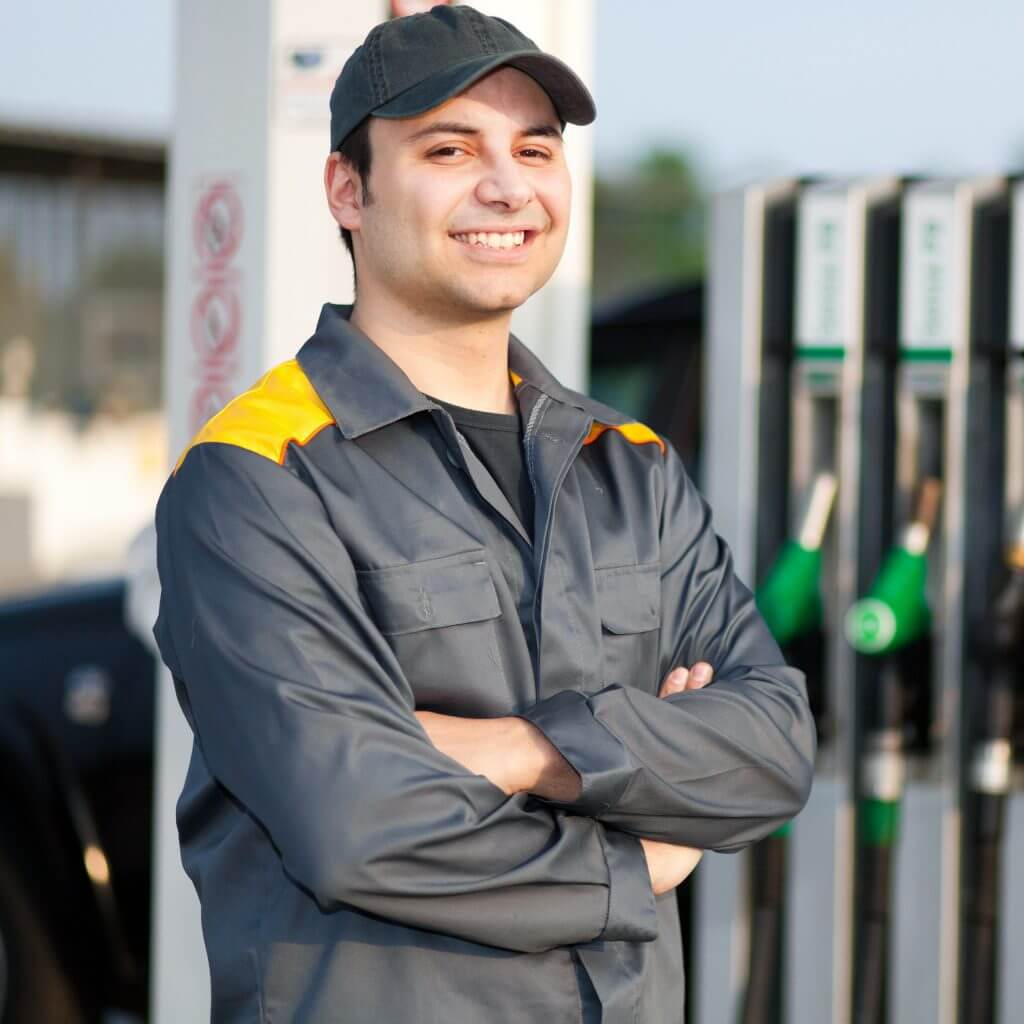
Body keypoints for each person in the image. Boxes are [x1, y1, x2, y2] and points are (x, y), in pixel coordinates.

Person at [152, 6, 816, 1022]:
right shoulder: (256, 478)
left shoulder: (627, 466)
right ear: (349, 189)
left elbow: (772, 746)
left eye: (534, 149)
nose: (506, 185)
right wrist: (638, 853)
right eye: (449, 147)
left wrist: (513, 748)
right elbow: (356, 822)